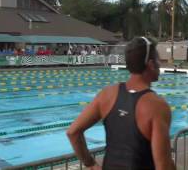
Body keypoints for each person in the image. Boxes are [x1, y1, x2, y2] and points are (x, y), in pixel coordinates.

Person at [67, 37, 175, 170]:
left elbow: (73, 132)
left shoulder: (107, 95)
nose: (160, 64)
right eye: (158, 60)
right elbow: (163, 166)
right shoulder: (157, 106)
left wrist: (91, 164)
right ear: (151, 64)